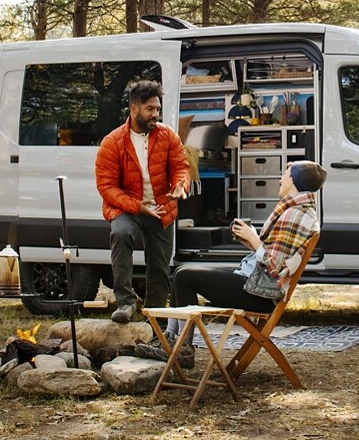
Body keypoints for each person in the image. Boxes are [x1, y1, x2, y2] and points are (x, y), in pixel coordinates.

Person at [167, 160, 325, 333]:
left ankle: (183, 349)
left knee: (184, 277)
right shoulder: (298, 211)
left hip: (259, 294)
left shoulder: (294, 215)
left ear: (295, 181)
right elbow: (274, 258)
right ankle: (171, 340)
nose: (280, 179)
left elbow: (275, 267)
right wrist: (250, 241)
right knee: (179, 274)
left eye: (285, 175)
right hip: (256, 285)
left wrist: (254, 239)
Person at [96, 80, 191, 324]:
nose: (155, 114)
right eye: (150, 109)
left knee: (160, 266)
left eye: (157, 109)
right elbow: (106, 187)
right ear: (134, 108)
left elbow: (181, 167)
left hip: (161, 207)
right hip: (128, 207)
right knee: (121, 233)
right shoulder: (112, 142)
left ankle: (155, 317)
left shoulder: (168, 136)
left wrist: (180, 185)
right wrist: (136, 206)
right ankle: (126, 303)